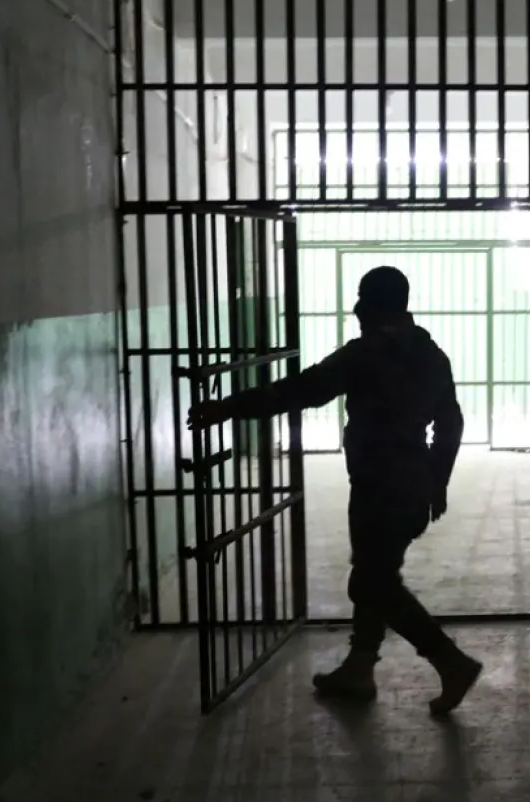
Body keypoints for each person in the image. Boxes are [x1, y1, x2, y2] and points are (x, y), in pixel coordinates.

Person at [187, 265, 483, 717]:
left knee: (371, 580)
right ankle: (359, 668)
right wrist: (436, 480)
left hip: (377, 486)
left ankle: (449, 662)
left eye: (363, 298)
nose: (356, 307)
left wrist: (230, 407)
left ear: (376, 304)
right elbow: (451, 422)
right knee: (376, 573)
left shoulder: (365, 355)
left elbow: (301, 390)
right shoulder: (430, 355)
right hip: (410, 484)